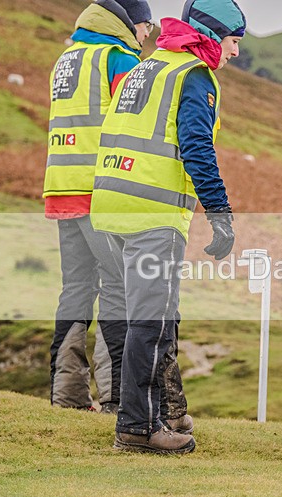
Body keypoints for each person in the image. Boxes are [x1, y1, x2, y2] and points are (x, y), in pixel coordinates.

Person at [90, 0, 245, 454]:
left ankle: (159, 415)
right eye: (233, 40)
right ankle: (138, 428)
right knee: (151, 322)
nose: (235, 51)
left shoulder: (147, 65)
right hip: (152, 211)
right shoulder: (193, 74)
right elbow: (197, 147)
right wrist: (221, 214)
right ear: (212, 35)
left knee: (146, 317)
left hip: (111, 205)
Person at [44, 0, 152, 414]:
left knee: (75, 288)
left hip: (61, 189)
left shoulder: (67, 59)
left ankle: (66, 396)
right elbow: (134, 127)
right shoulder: (118, 59)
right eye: (145, 25)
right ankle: (116, 397)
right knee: (119, 287)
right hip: (100, 193)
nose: (147, 34)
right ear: (128, 23)